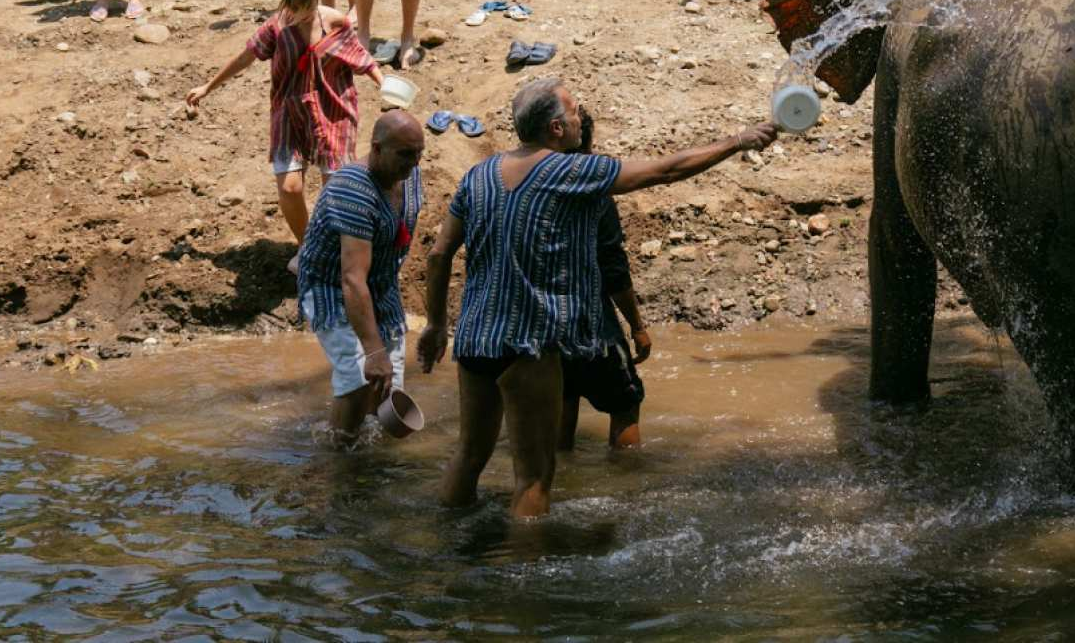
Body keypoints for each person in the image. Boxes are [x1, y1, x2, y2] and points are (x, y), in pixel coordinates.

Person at [418, 78, 778, 518]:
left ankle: (442, 563)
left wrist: (436, 326)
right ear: (555, 128)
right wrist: (736, 141)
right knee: (533, 476)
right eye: (574, 113)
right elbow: (664, 170)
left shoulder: (478, 175)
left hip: (475, 338)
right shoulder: (572, 171)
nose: (580, 118)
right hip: (528, 345)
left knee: (469, 456)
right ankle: (521, 582)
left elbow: (438, 257)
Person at [184, 0, 382, 272]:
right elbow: (245, 57)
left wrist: (386, 85)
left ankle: (341, 250)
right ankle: (309, 248)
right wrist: (208, 86)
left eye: (306, 8)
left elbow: (362, 58)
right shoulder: (276, 27)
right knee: (290, 187)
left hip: (333, 111)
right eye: (294, 8)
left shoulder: (336, 23)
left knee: (335, 187)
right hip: (290, 111)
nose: (300, 16)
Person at [291, 112, 425, 444]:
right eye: (405, 154)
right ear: (377, 149)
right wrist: (374, 351)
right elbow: (352, 279)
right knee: (358, 380)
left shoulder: (408, 174)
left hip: (379, 283)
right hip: (332, 288)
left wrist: (380, 355)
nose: (414, 162)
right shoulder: (352, 190)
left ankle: (367, 459)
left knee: (385, 386)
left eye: (418, 153)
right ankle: (336, 456)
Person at [558, 108, 652, 452]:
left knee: (561, 403)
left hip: (544, 325)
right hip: (593, 325)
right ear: (588, 144)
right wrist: (637, 326)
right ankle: (627, 489)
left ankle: (557, 483)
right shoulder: (596, 193)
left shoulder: (529, 188)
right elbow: (613, 267)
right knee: (626, 403)